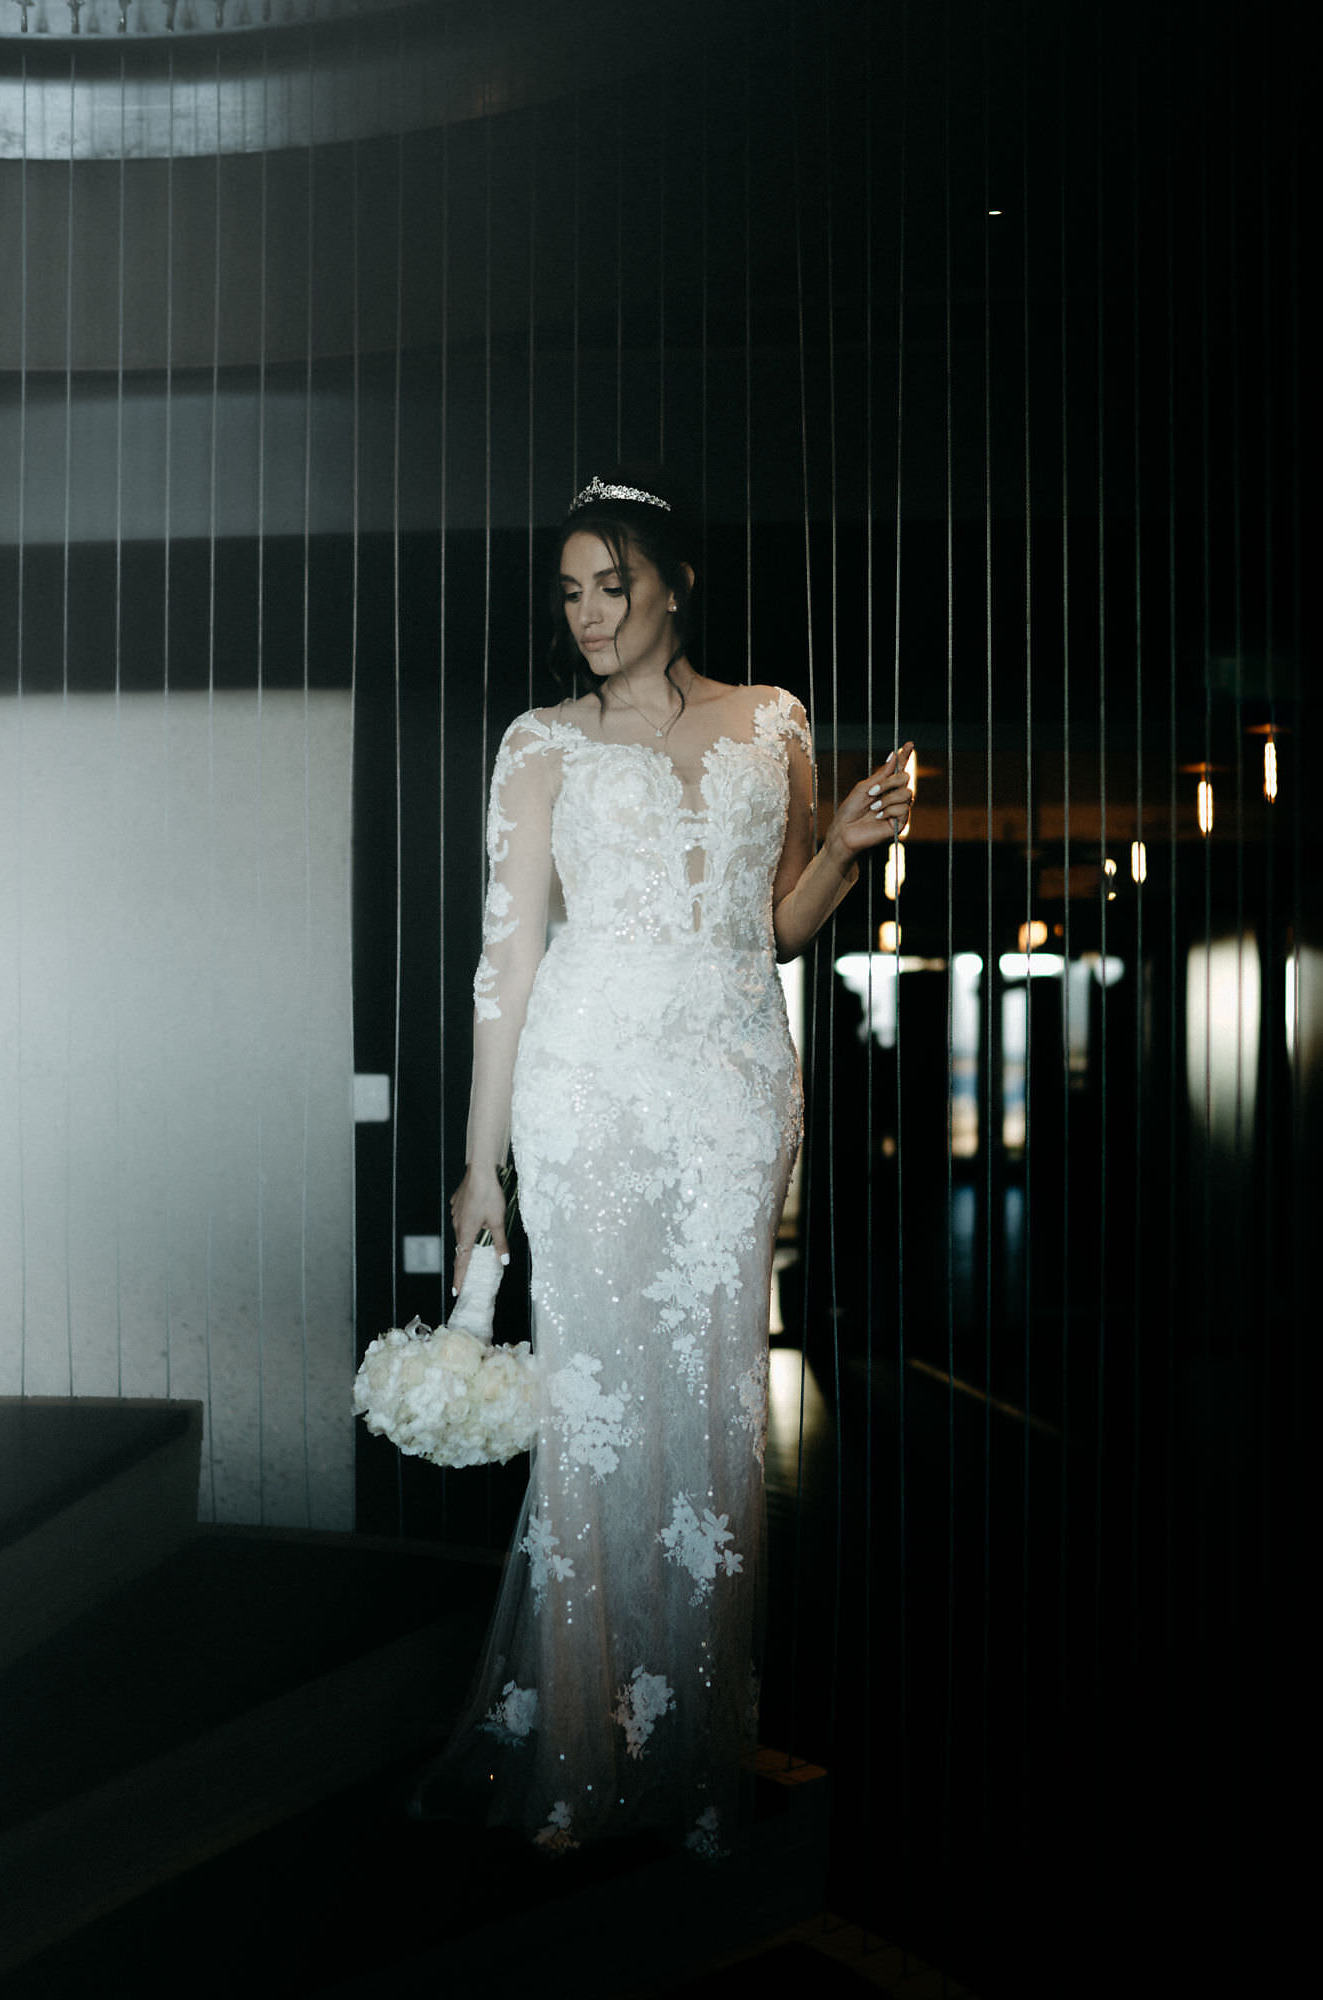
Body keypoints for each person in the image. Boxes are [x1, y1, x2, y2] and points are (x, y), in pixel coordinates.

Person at [423, 469, 913, 1858]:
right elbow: (502, 965)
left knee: (708, 1402)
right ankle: (582, 1744)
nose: (586, 612)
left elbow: (772, 925)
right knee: (595, 1406)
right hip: (584, 1087)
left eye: (610, 583)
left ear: (675, 583)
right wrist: (482, 1172)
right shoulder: (540, 746)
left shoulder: (773, 723)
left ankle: (688, 1730)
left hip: (730, 1086)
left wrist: (852, 849)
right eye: (569, 590)